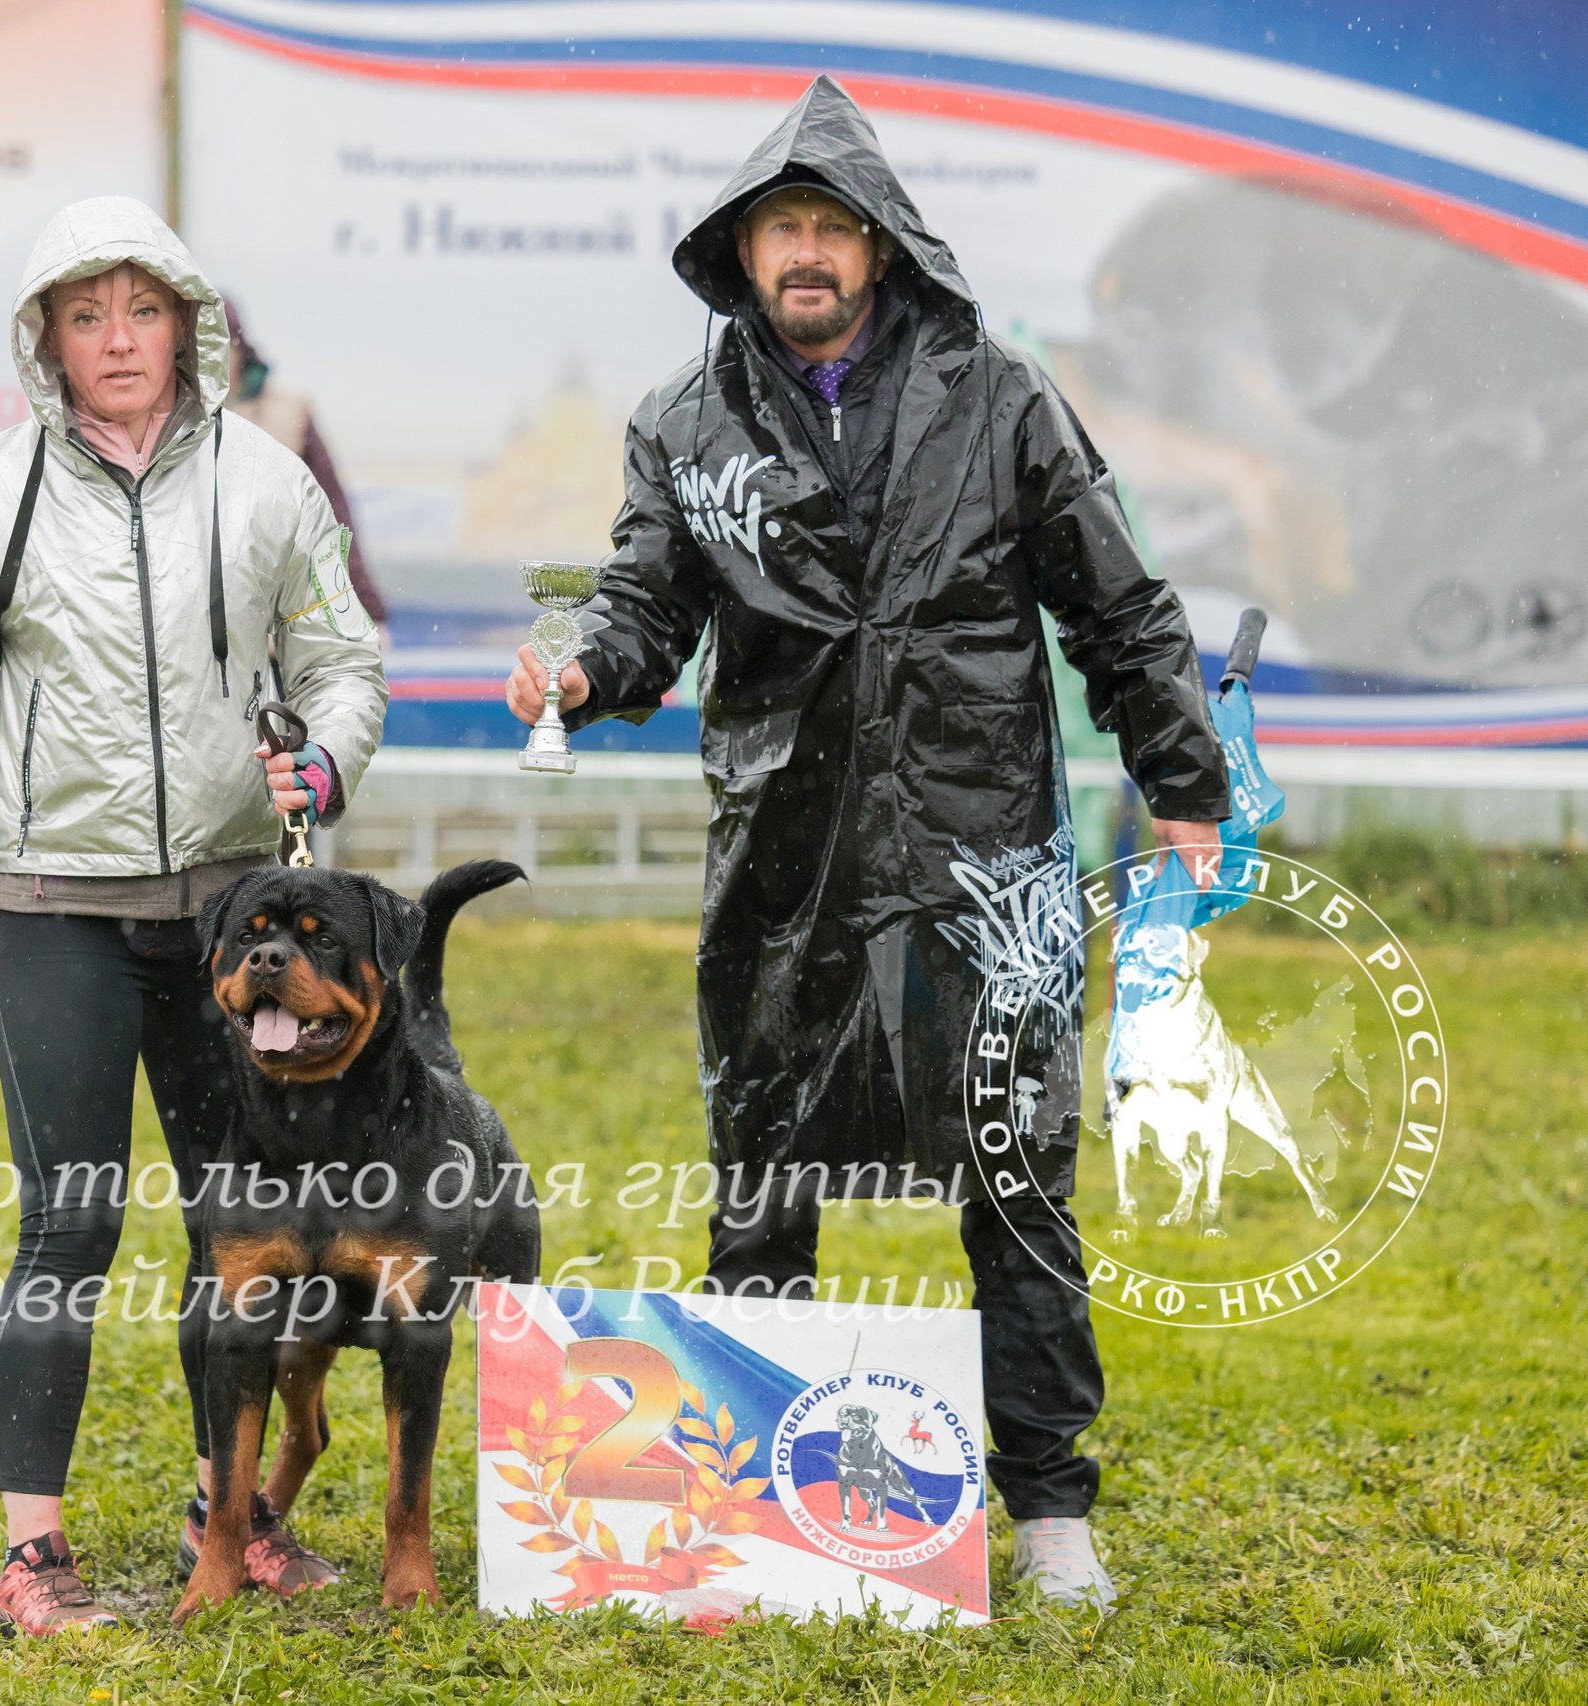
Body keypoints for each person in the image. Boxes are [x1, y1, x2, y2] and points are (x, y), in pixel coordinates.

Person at [505, 77, 1230, 1609]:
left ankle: (1049, 1506)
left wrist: (1186, 773)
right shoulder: (685, 426)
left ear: (886, 245)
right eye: (784, 227)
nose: (811, 252)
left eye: (835, 224)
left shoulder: (1003, 397)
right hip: (781, 859)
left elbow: (1117, 599)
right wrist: (582, 668)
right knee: (762, 1168)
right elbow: (642, 602)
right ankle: (759, 1492)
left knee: (1017, 1171)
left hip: (984, 858)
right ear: (745, 252)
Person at [0, 196, 387, 1635]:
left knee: (244, 1231)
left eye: (140, 310)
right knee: (69, 1225)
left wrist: (330, 752)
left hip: (235, 924)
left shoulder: (272, 483)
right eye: (84, 315)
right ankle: (32, 1555)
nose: (116, 341)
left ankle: (229, 1516)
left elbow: (348, 659)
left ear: (187, 326)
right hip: (52, 911)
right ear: (45, 339)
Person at [225, 309, 387, 623]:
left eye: (223, 345)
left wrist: (365, 606)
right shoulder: (170, 418)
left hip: (281, 615)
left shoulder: (290, 413)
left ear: (240, 349)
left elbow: (332, 511)